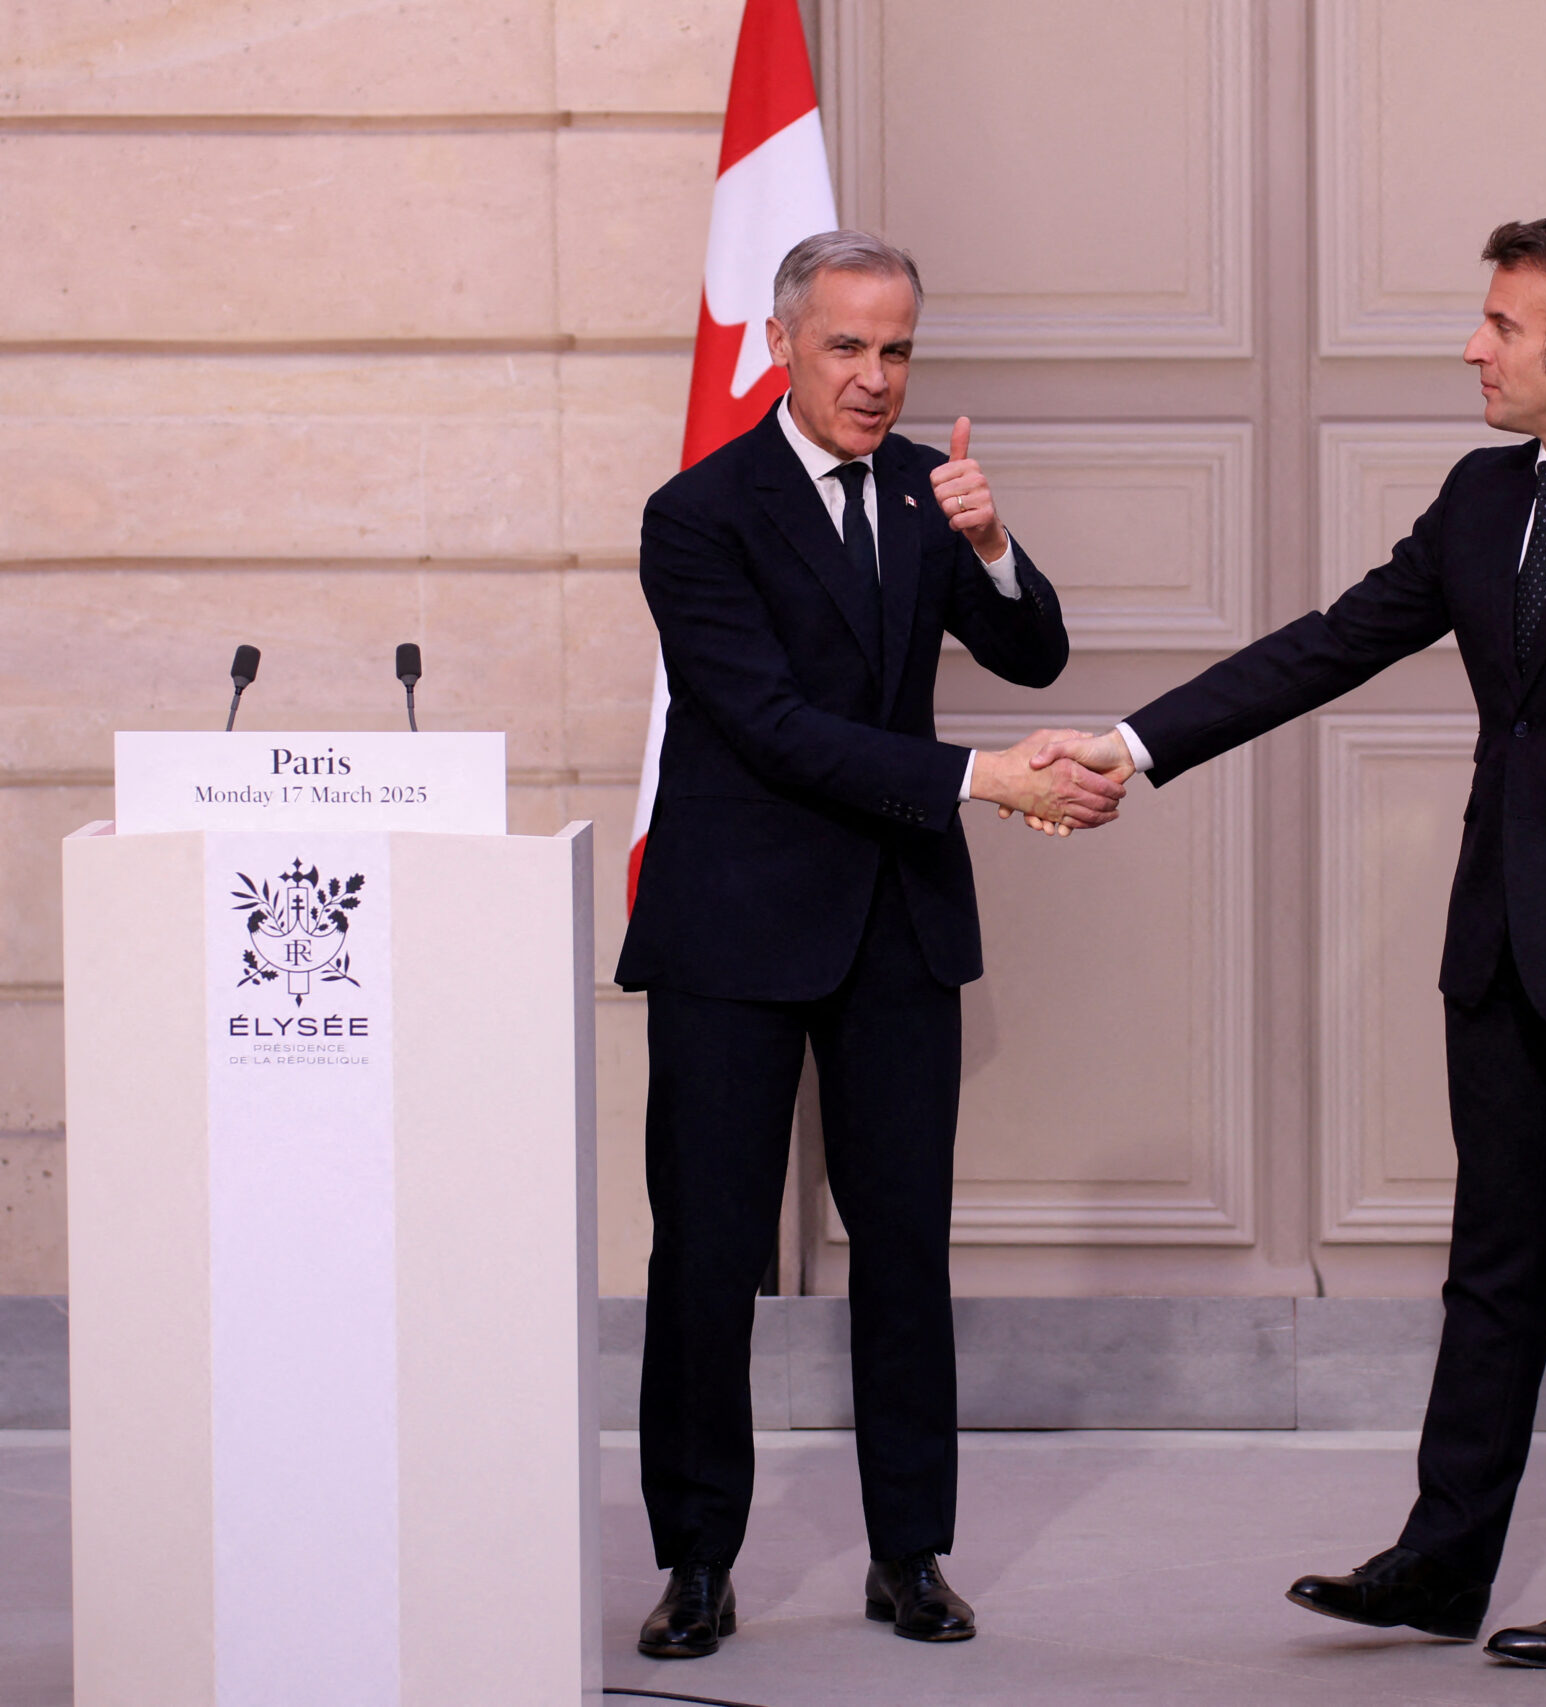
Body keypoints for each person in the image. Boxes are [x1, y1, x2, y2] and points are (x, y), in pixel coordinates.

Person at [1029, 216, 1546, 1668]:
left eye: (1502, 325)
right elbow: (1328, 644)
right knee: (1492, 1271)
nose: (1473, 347)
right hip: (1500, 951)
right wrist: (1134, 747)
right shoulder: (1476, 498)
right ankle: (1444, 1563)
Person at [614, 229, 1127, 1660]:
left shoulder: (922, 490)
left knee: (904, 1248)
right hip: (734, 929)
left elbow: (1034, 656)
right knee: (707, 1254)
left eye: (897, 349)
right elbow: (768, 724)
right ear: (781, 346)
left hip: (894, 930)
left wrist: (990, 543)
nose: (877, 378)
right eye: (847, 347)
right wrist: (982, 780)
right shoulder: (696, 515)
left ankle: (910, 1553)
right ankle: (698, 1563)